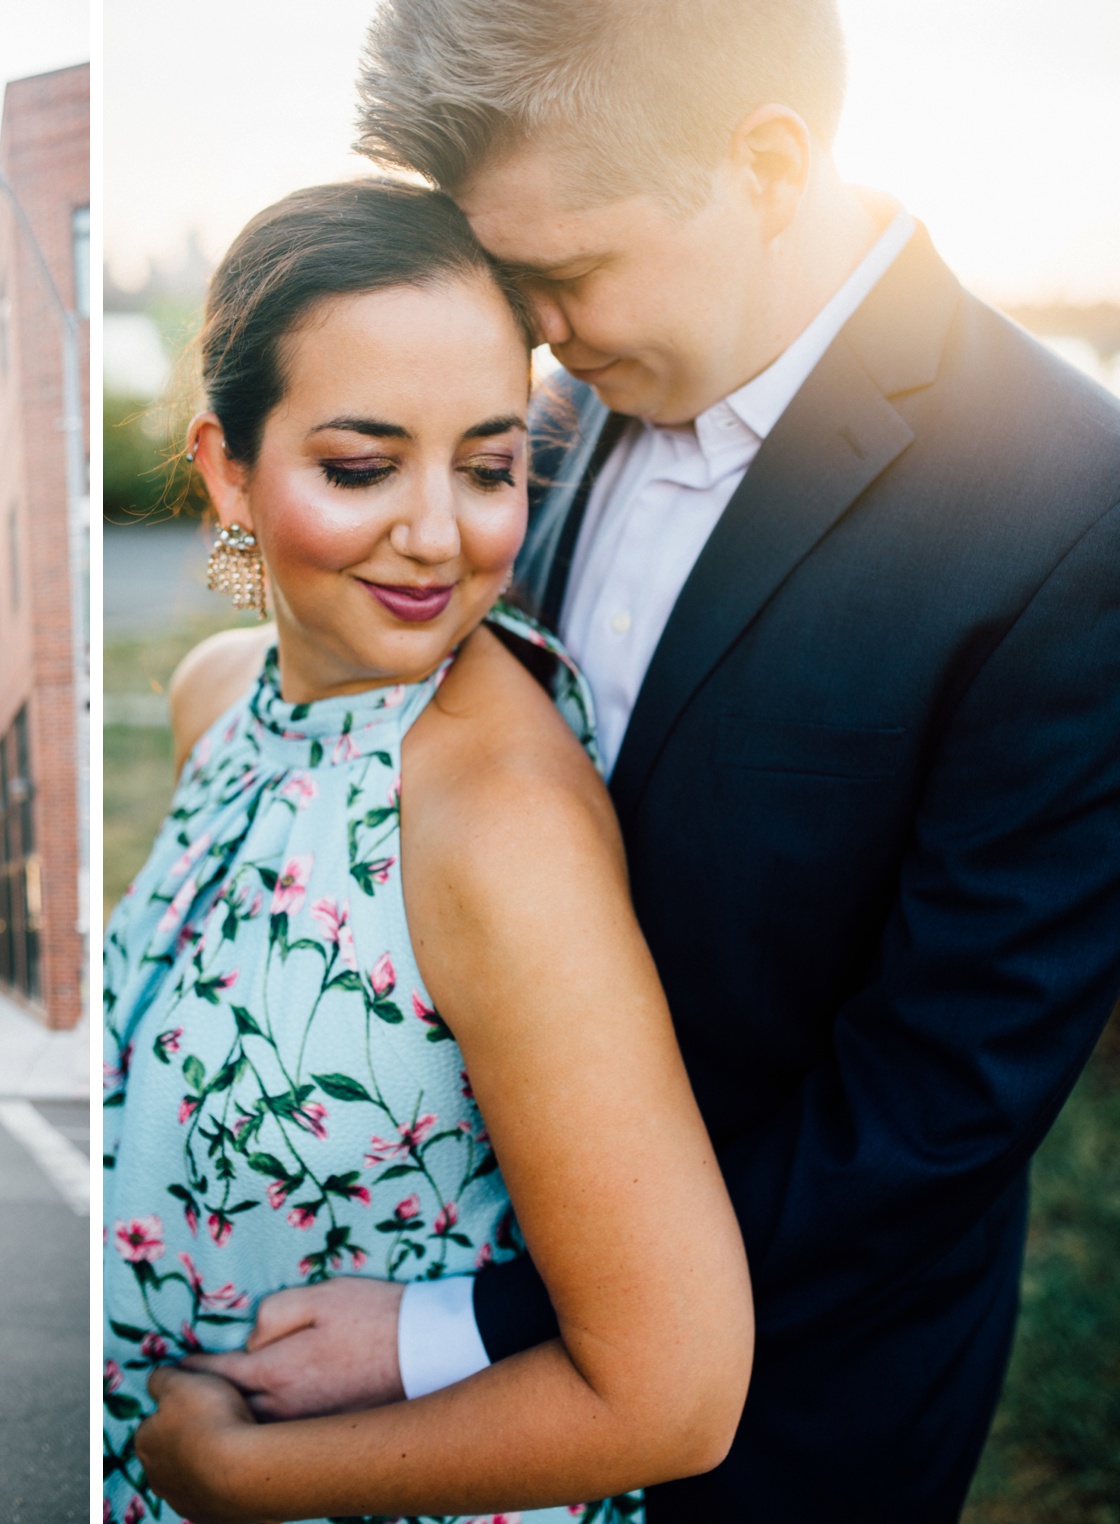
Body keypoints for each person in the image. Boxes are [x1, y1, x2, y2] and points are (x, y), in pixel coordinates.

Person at [143, 2, 1120, 1520]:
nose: (535, 329)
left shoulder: (1070, 505)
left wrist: (475, 1328)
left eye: (565, 274)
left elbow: (943, 1103)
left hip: (784, 1400)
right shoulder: (574, 391)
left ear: (770, 164)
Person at [104, 178, 753, 1524]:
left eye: (488, 465)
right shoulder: (217, 699)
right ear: (229, 468)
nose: (439, 535)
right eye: (360, 467)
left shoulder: (495, 820)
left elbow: (675, 1394)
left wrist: (241, 1478)